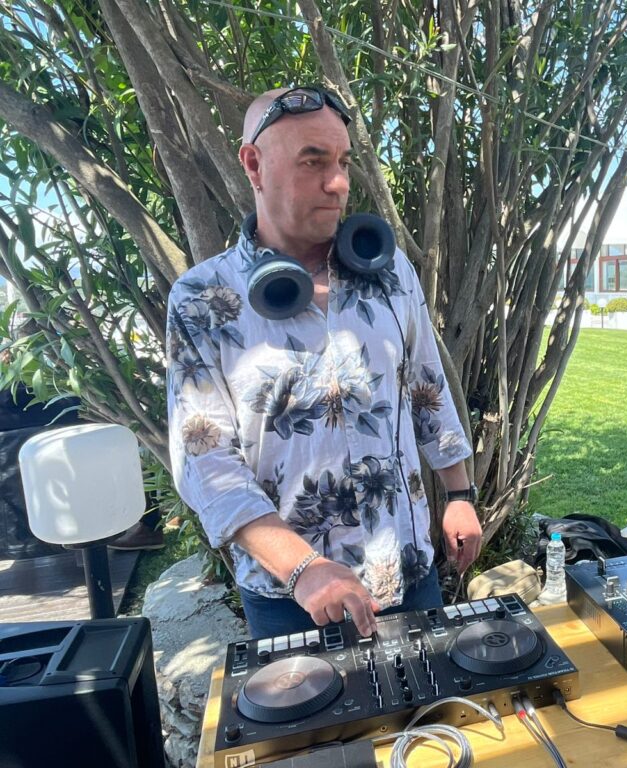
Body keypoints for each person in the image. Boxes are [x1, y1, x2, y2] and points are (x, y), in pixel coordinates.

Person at [165, 86, 481, 639]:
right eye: (313, 162)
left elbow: (426, 385)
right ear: (253, 164)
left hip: (410, 574)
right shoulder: (200, 299)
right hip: (293, 599)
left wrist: (458, 494)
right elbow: (205, 459)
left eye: (343, 162)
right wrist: (303, 567)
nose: (337, 183)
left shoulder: (391, 274)